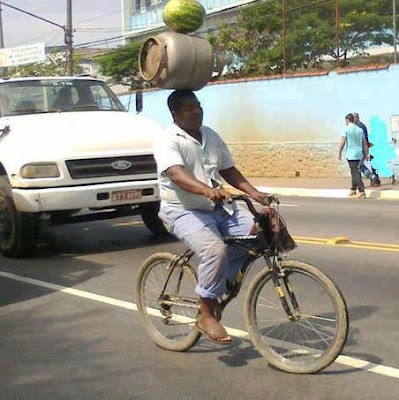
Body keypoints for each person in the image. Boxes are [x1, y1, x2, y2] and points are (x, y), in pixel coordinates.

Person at [154, 90, 270, 344]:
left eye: (197, 105)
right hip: (182, 210)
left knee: (257, 230)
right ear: (175, 114)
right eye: (187, 108)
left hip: (216, 208)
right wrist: (207, 190)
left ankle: (221, 281)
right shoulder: (168, 139)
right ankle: (206, 313)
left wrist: (256, 194)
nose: (196, 111)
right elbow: (176, 174)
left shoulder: (210, 135)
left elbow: (228, 170)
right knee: (215, 249)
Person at [338, 113, 369, 199]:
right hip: (359, 154)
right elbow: (365, 143)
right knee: (354, 172)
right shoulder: (359, 130)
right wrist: (366, 154)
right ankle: (353, 189)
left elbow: (343, 141)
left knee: (355, 173)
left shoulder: (346, 129)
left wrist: (339, 152)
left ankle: (362, 191)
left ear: (347, 120)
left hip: (351, 154)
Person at [353, 112, 381, 187]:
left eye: (354, 118)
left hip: (361, 148)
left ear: (357, 118)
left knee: (358, 166)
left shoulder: (359, 127)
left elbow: (364, 138)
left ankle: (371, 178)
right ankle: (374, 178)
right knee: (361, 165)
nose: (353, 119)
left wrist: (366, 147)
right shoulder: (361, 126)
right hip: (364, 147)